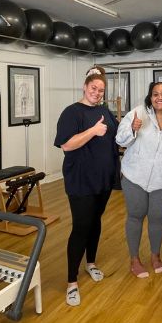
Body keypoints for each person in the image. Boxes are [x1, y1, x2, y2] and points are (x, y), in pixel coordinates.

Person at [54, 66, 119, 307]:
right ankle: (72, 282)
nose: (97, 92)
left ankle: (90, 263)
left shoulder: (104, 110)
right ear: (84, 86)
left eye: (101, 90)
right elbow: (66, 145)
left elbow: (114, 135)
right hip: (81, 179)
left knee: (96, 221)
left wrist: (130, 129)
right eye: (94, 88)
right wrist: (92, 131)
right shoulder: (72, 113)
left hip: (103, 178)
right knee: (81, 226)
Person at [116, 81, 162, 278]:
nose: (159, 97)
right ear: (150, 96)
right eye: (155, 94)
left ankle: (155, 256)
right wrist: (132, 128)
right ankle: (134, 259)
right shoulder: (137, 113)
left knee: (157, 218)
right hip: (134, 176)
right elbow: (120, 139)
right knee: (136, 215)